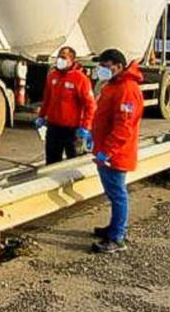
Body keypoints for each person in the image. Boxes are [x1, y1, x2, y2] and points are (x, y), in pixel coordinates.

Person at [91, 48, 144, 254]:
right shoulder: (114, 85)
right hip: (107, 150)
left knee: (118, 194)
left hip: (115, 153)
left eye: (105, 66)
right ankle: (114, 229)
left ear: (118, 66)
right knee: (114, 194)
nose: (102, 70)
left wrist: (108, 151)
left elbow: (124, 127)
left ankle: (117, 238)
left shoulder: (127, 89)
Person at [35, 46, 97, 164]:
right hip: (54, 127)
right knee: (52, 162)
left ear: (71, 60)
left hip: (73, 130)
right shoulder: (52, 76)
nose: (59, 60)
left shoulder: (80, 79)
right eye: (59, 56)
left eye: (63, 57)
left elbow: (90, 105)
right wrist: (41, 116)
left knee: (74, 162)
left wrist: (85, 127)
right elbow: (47, 99)